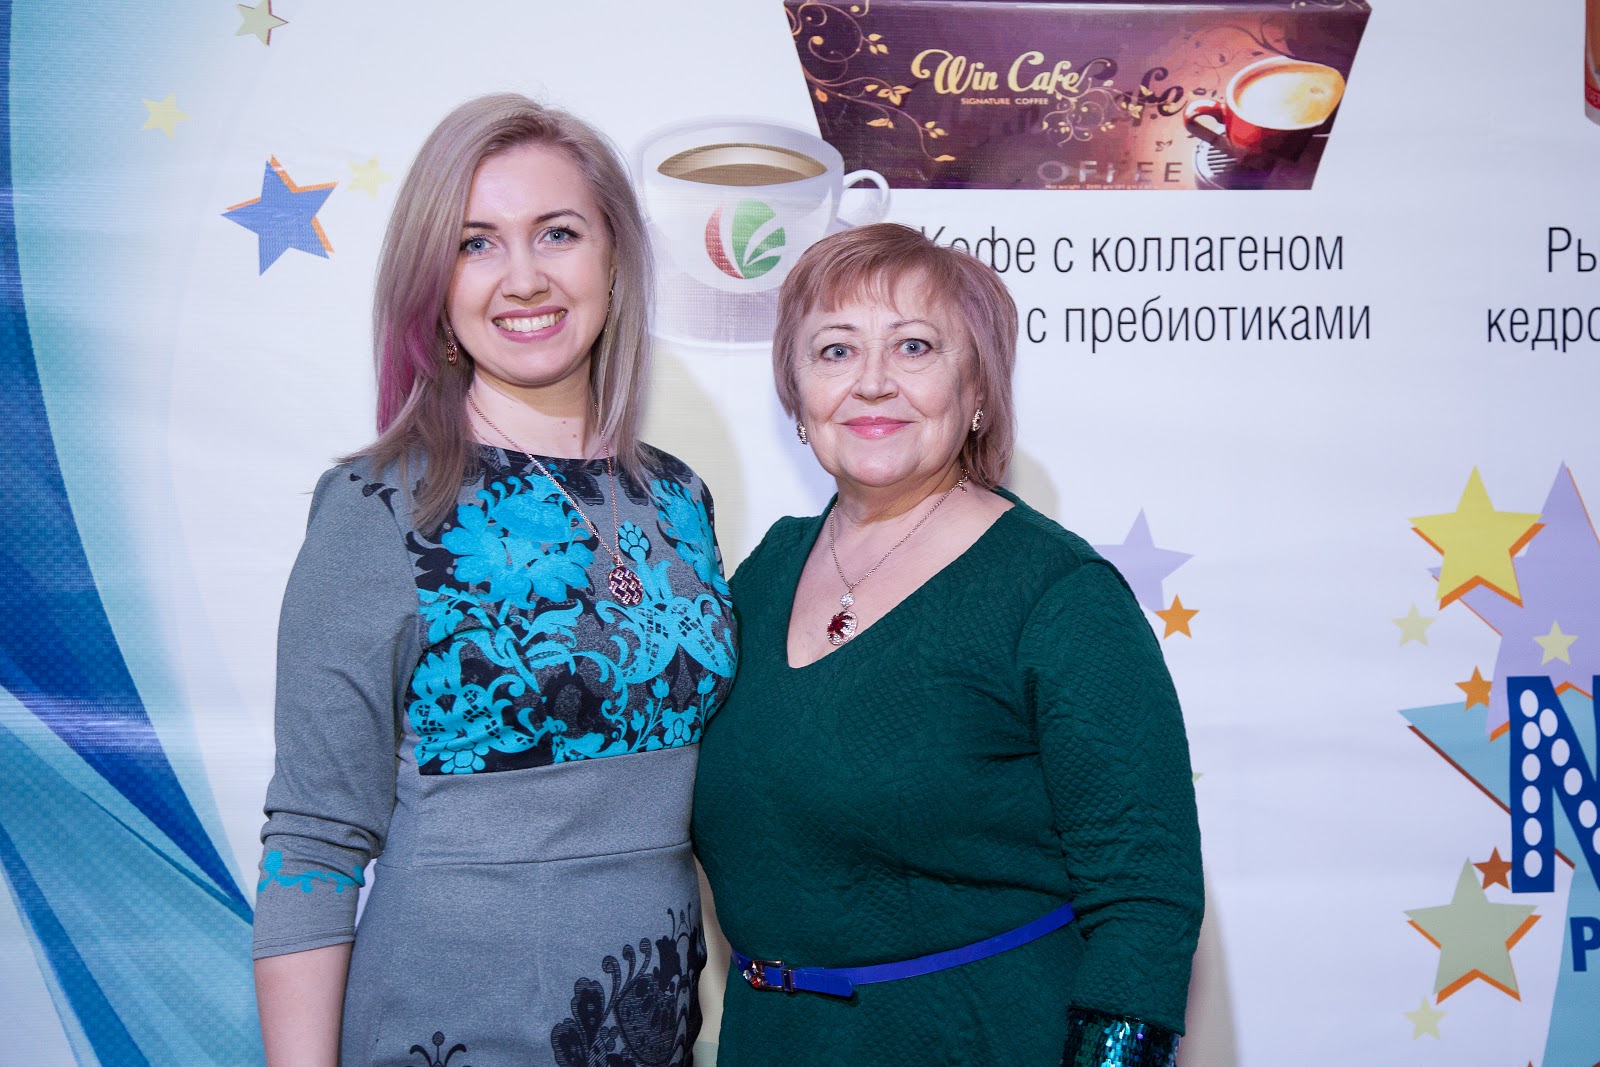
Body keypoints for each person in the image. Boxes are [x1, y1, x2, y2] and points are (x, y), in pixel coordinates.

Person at [252, 94, 736, 1067]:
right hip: (442, 1030)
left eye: (558, 232)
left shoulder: (679, 499)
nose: (524, 277)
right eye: (477, 243)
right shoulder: (382, 504)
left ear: (613, 256)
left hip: (653, 1031)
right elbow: (313, 841)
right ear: (434, 281)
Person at [693, 223, 1203, 1065]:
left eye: (915, 346)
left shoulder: (1057, 593)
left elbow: (1145, 899)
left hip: (982, 1039)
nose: (872, 382)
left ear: (978, 393)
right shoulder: (764, 572)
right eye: (835, 350)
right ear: (797, 394)